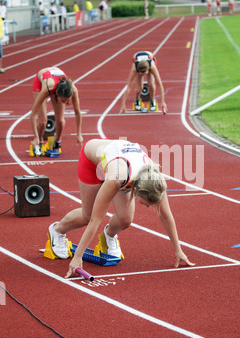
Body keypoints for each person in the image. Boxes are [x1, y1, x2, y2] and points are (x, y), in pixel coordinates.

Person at [47, 138, 195, 277]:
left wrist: (178, 250)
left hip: (120, 159)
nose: (148, 207)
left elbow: (165, 215)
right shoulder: (116, 178)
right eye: (146, 203)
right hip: (93, 161)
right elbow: (95, 219)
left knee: (125, 219)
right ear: (135, 191)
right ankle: (57, 230)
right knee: (88, 215)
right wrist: (78, 256)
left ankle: (108, 235)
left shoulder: (155, 181)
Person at [30, 67, 83, 156]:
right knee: (43, 121)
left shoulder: (73, 90)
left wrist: (79, 135)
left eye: (67, 100)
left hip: (57, 81)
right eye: (63, 101)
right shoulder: (47, 88)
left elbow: (77, 112)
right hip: (42, 81)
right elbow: (32, 114)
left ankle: (57, 142)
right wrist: (35, 137)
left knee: (60, 121)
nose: (65, 102)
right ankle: (39, 142)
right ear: (57, 95)